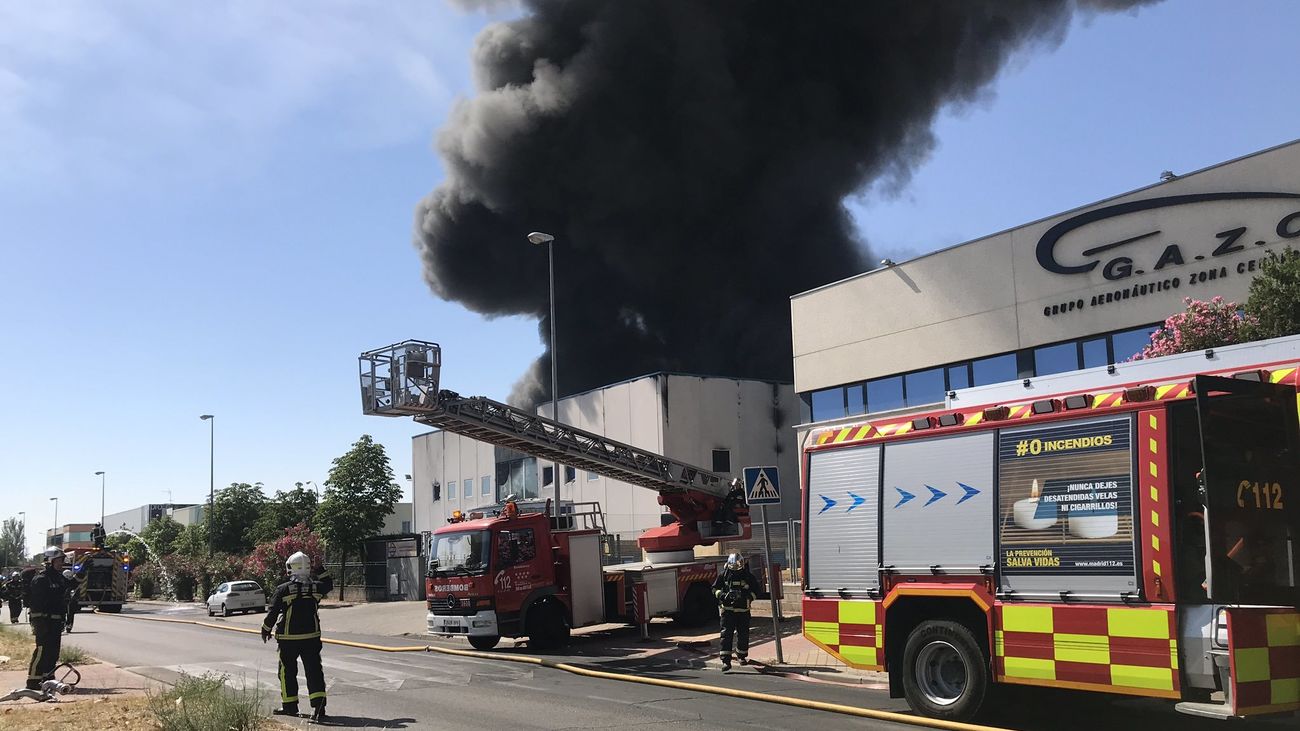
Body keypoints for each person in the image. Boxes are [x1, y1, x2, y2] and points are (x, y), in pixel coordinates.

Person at [262, 552, 333, 722]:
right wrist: (320, 569)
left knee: (287, 671)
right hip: (312, 637)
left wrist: (266, 629)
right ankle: (319, 708)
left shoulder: (283, 589)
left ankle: (290, 706)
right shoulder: (316, 587)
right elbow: (328, 584)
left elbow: (273, 612)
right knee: (314, 670)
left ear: (290, 568)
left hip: (289, 638)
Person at [26, 547, 69, 691]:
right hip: (44, 622)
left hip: (56, 622)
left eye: (62, 560)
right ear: (50, 561)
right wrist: (39, 622)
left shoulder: (59, 577)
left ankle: (48, 678)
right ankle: (33, 681)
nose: (61, 563)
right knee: (41, 651)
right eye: (59, 560)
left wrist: (83, 571)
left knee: (53, 652)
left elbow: (70, 585)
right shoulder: (41, 579)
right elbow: (35, 603)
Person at [711, 553, 761, 672]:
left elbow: (757, 591)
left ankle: (741, 656)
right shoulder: (723, 575)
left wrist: (746, 597)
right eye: (732, 568)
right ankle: (725, 661)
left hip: (743, 611)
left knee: (743, 635)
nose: (734, 571)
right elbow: (714, 589)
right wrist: (723, 595)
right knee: (726, 635)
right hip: (727, 611)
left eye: (736, 568)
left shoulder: (748, 576)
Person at [63, 567, 84, 633]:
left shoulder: (74, 581)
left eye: (70, 577)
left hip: (72, 600)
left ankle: (69, 625)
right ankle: (62, 624)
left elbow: (80, 578)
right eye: (67, 577)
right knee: (62, 612)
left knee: (71, 613)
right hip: (63, 599)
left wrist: (76, 597)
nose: (68, 578)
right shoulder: (61, 581)